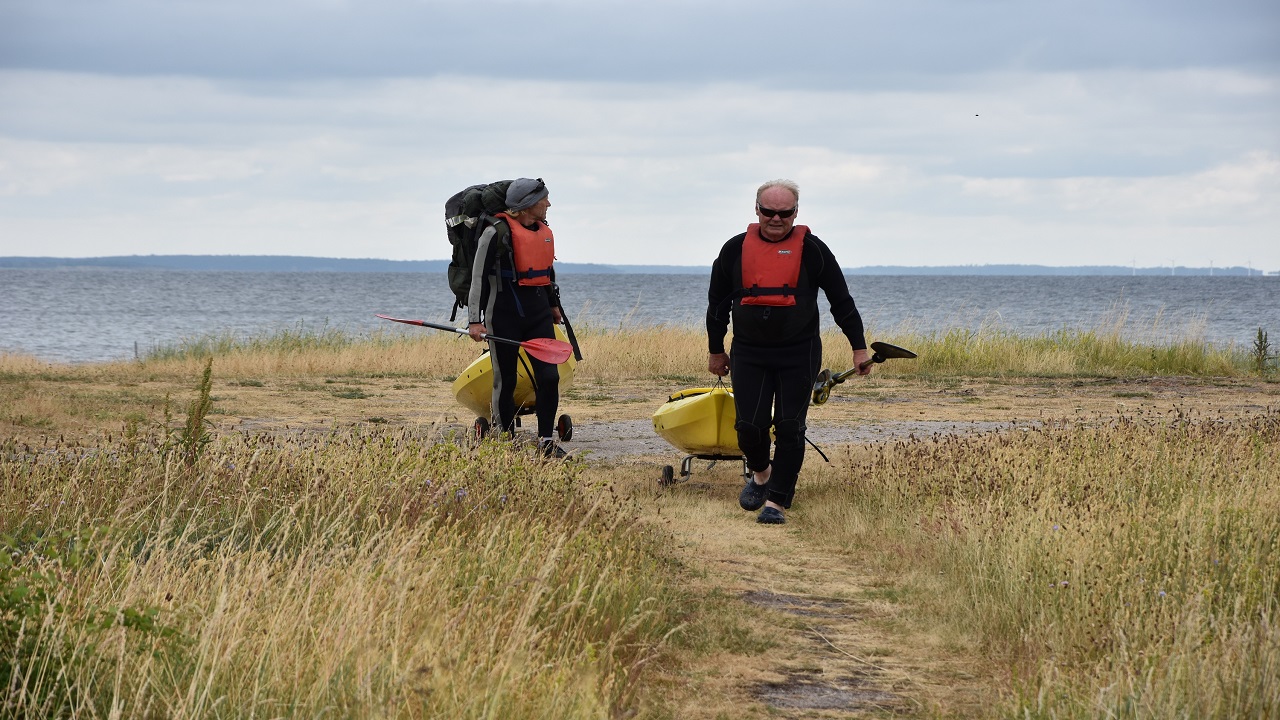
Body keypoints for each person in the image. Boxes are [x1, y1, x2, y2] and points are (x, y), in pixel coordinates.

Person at [706, 179, 872, 524]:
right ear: (756, 210)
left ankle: (777, 502)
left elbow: (841, 301)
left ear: (796, 213)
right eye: (769, 211)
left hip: (799, 351)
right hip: (749, 351)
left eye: (785, 213)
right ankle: (762, 474)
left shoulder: (813, 250)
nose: (776, 219)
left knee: (790, 426)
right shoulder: (734, 250)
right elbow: (717, 305)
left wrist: (858, 347)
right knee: (748, 426)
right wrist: (716, 350)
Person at [467, 177, 567, 458]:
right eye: (543, 199)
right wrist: (475, 320)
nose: (548, 203)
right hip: (504, 315)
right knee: (506, 378)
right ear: (526, 206)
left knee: (549, 377)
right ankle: (504, 438)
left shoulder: (544, 232)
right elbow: (477, 280)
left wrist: (553, 305)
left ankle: (546, 442)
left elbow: (546, 272)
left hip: (538, 315)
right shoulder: (495, 233)